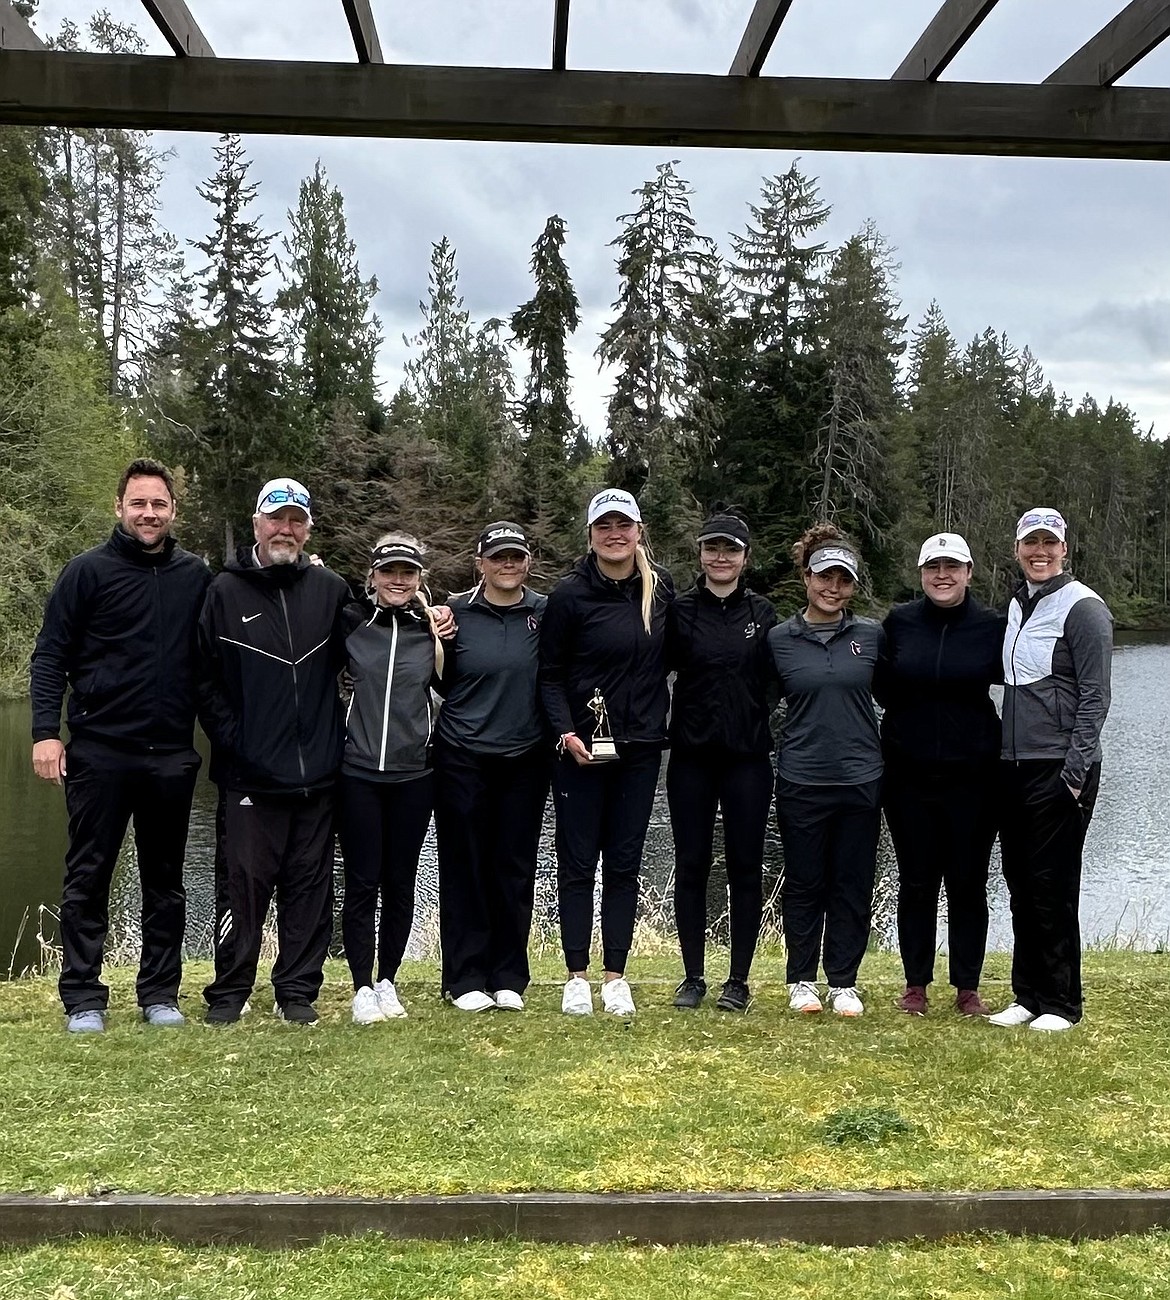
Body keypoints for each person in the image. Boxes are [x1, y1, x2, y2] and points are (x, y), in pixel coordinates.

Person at [29, 458, 211, 1033]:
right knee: (88, 876)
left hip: (170, 755)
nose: (149, 514)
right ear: (120, 508)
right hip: (99, 752)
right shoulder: (86, 572)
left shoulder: (195, 577)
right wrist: (45, 734)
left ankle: (160, 993)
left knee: (166, 881)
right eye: (139, 504)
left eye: (159, 504)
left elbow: (222, 650)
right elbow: (50, 657)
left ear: (173, 511)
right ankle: (83, 996)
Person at [197, 477, 350, 1026]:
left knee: (309, 887)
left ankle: (297, 990)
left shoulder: (330, 589)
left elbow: (373, 642)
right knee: (242, 886)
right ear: (257, 523)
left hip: (317, 776)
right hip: (249, 777)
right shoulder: (223, 592)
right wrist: (236, 742)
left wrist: (433, 618)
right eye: (276, 518)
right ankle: (230, 991)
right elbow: (205, 683)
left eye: (297, 520)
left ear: (308, 529)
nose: (286, 529)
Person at [539, 488, 674, 1017]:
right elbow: (549, 675)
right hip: (578, 750)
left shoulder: (661, 591)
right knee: (575, 863)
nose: (615, 534)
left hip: (639, 749)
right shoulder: (569, 595)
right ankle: (576, 976)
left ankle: (616, 976)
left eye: (624, 525)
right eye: (604, 526)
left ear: (639, 531)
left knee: (623, 862)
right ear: (591, 534)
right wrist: (564, 732)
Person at [990, 507, 1113, 1033]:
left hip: (1060, 769)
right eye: (1030, 543)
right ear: (1017, 549)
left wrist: (1075, 769)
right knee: (1020, 880)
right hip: (1014, 766)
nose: (1039, 552)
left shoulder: (1083, 608)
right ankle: (1028, 995)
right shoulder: (1019, 604)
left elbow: (1096, 696)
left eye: (1049, 543)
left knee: (1053, 885)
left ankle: (1062, 1002)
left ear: (1065, 549)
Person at [875, 532, 1005, 1017]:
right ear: (922, 573)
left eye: (953, 567)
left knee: (968, 882)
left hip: (974, 776)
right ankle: (916, 986)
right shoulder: (901, 622)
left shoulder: (991, 625)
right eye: (934, 567)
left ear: (969, 573)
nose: (943, 575)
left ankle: (967, 986)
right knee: (916, 880)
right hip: (908, 776)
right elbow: (883, 686)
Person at [767, 523, 883, 1018]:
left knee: (852, 883)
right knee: (805, 882)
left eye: (844, 580)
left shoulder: (872, 636)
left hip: (861, 777)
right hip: (801, 778)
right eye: (824, 578)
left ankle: (844, 982)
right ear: (807, 578)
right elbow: (760, 704)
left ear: (853, 586)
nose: (833, 588)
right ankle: (801, 979)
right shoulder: (779, 639)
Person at [434, 522, 550, 1012]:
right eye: (498, 557)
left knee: (514, 868)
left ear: (527, 561)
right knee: (466, 867)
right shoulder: (453, 614)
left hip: (526, 756)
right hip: (462, 755)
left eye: (517, 556)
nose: (509, 565)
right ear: (479, 563)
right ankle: (464, 978)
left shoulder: (545, 612)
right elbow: (437, 678)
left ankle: (508, 976)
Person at [666, 511, 777, 1012]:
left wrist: (750, 716)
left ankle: (738, 980)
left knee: (745, 867)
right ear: (701, 554)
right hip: (691, 756)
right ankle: (692, 976)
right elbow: (652, 668)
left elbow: (775, 682)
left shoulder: (764, 613)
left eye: (730, 550)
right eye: (712, 549)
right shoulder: (679, 610)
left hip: (747, 758)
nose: (720, 558)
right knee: (690, 865)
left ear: (745, 558)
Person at [337, 532, 445, 1025]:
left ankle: (388, 981)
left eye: (408, 572)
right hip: (358, 771)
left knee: (401, 881)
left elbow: (450, 687)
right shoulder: (352, 622)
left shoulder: (434, 629)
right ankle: (361, 985)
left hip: (414, 773)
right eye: (389, 572)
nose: (398, 580)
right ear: (373, 577)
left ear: (420, 578)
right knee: (362, 880)